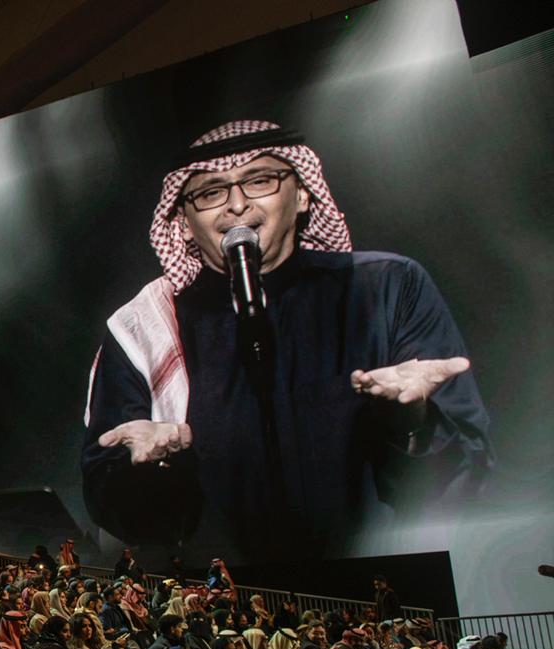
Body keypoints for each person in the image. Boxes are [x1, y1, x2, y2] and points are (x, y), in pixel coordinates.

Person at [81, 120, 490, 561]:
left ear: (302, 195)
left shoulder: (387, 288)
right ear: (181, 223)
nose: (237, 205)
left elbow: (466, 474)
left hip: (382, 591)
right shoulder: (146, 327)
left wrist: (411, 420)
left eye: (260, 181)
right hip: (225, 606)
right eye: (211, 192)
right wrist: (147, 470)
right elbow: (110, 503)